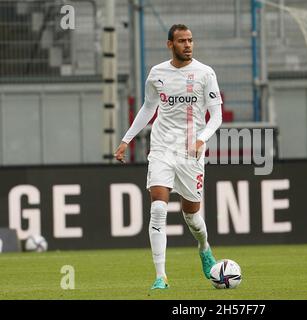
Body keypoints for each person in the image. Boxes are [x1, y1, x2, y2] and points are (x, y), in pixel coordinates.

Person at [113, 24, 223, 290]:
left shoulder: (205, 73)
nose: (188, 45)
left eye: (190, 40)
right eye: (182, 41)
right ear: (170, 44)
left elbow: (216, 115)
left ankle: (204, 247)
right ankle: (161, 276)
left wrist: (201, 138)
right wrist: (126, 139)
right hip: (161, 148)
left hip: (191, 153)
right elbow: (148, 107)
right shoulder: (157, 73)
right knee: (158, 209)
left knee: (192, 217)